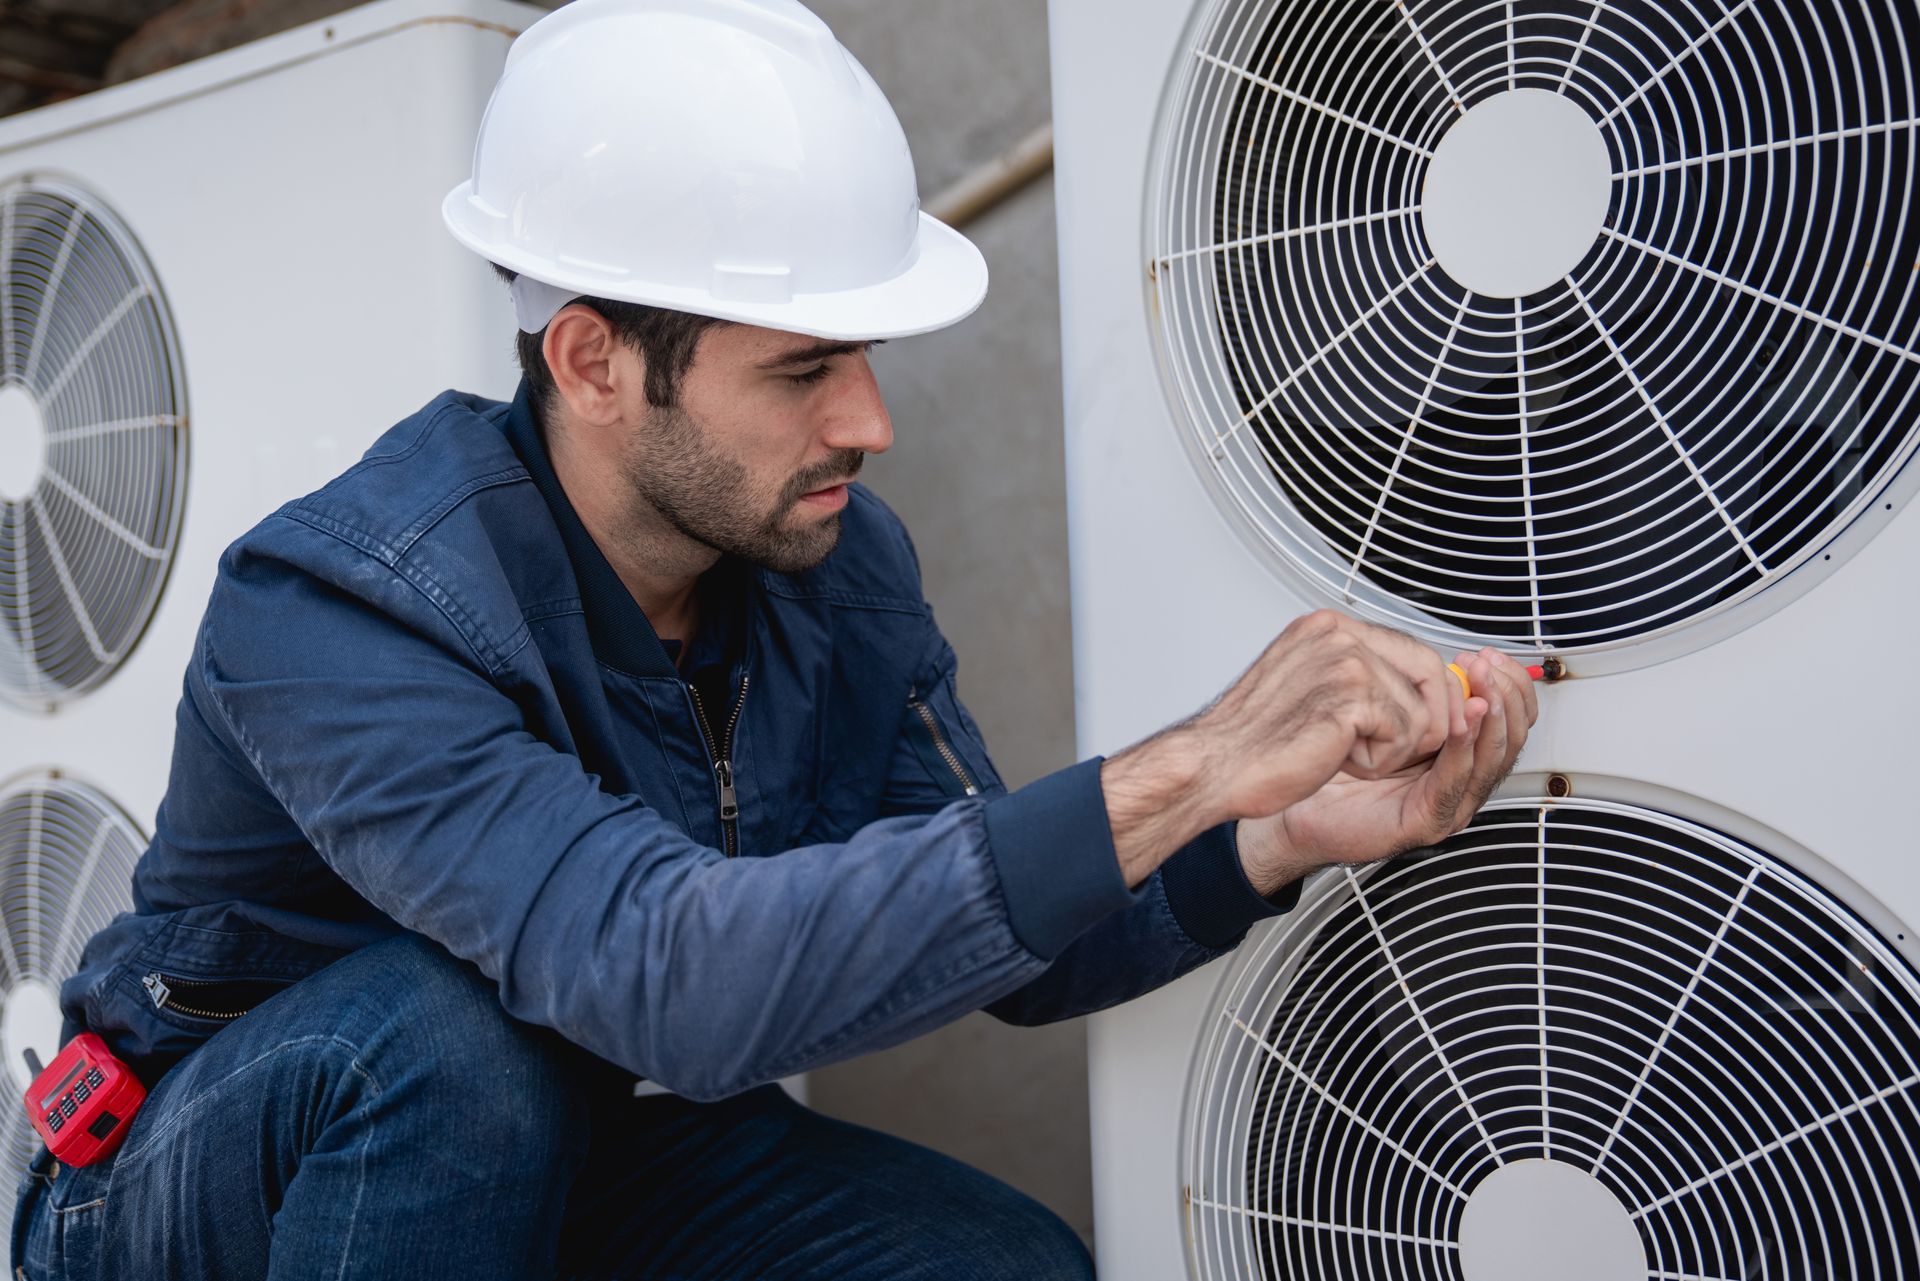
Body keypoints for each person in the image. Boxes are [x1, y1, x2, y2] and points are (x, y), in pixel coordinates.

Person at [11, 1, 1538, 1277]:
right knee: (444, 1045)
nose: (867, 421)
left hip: (548, 1138)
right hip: (184, 1183)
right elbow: (662, 972)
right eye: (804, 367)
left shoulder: (827, 567)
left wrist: (1260, 832)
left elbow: (998, 913)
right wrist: (1196, 756)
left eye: (863, 355)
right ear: (593, 360)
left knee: (995, 1265)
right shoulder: (340, 607)